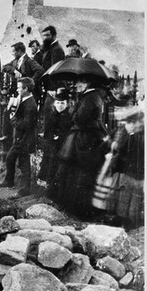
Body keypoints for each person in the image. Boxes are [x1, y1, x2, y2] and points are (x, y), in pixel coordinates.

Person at [54, 74, 109, 217]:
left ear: (87, 83)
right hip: (87, 137)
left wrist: (73, 112)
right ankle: (78, 208)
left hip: (85, 140)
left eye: (78, 82)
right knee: (80, 174)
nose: (75, 85)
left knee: (81, 174)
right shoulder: (91, 97)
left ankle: (79, 210)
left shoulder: (90, 98)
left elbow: (80, 118)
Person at [103, 105, 145, 229]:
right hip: (138, 175)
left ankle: (124, 223)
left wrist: (113, 163)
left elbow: (122, 154)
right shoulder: (139, 135)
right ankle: (132, 223)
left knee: (124, 200)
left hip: (128, 174)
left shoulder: (133, 137)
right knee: (134, 201)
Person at [0, 77, 38, 196]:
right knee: (10, 158)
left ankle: (25, 189)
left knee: (24, 164)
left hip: (25, 139)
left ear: (26, 89)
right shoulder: (23, 99)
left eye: (20, 88)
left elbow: (27, 125)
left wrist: (12, 120)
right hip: (20, 138)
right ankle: (9, 181)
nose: (18, 89)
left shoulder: (31, 105)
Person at [38, 87, 71, 198]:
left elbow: (68, 133)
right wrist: (51, 137)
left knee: (58, 170)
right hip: (51, 148)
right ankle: (49, 191)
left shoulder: (68, 117)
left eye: (62, 103)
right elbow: (47, 130)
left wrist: (59, 137)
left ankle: (56, 194)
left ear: (66, 104)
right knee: (49, 169)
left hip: (61, 148)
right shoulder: (52, 115)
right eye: (58, 103)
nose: (60, 105)